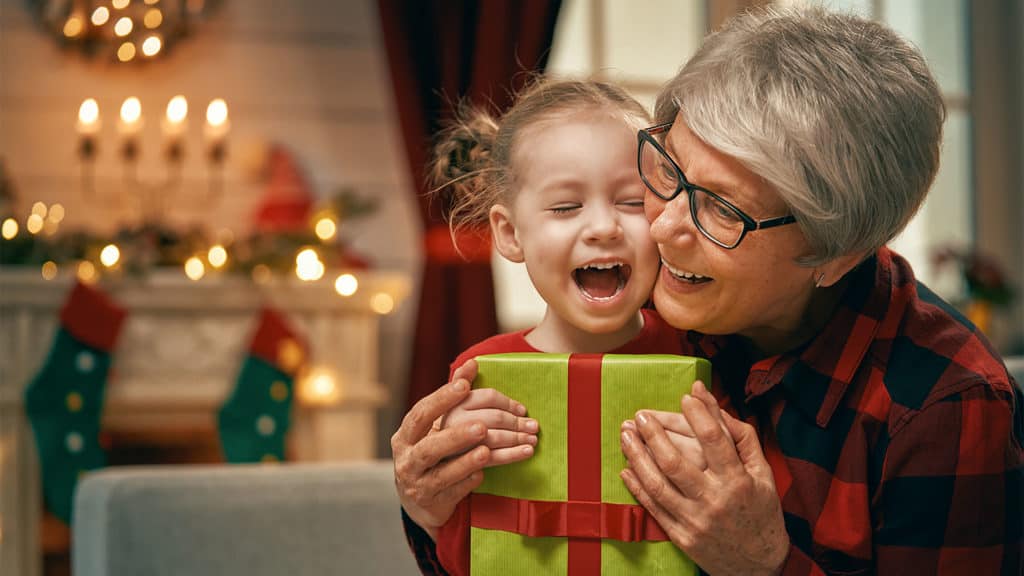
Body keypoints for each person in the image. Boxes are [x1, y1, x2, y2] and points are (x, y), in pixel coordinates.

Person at [393, 6, 1024, 575]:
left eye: (723, 210)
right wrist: (433, 509)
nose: (661, 227)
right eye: (667, 172)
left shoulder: (946, 405)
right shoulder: (632, 297)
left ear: (834, 256)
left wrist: (762, 565)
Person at [400, 78, 693, 574]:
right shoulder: (478, 376)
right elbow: (464, 557)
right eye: (565, 207)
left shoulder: (702, 357)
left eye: (630, 202)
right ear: (510, 234)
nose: (603, 227)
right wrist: (437, 499)